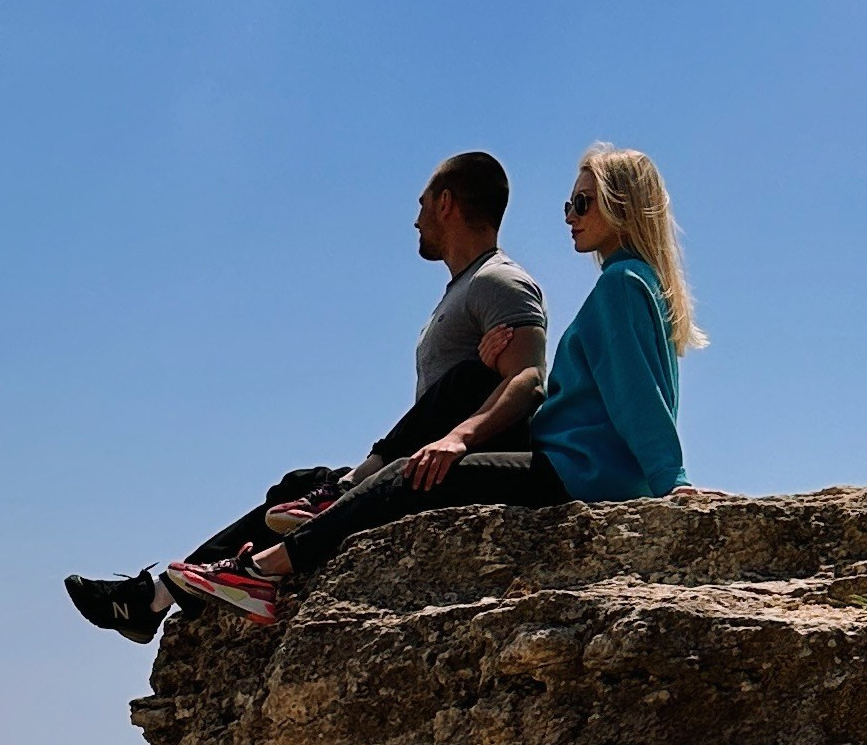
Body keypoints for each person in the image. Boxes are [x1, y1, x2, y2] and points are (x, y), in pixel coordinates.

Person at [163, 145, 701, 627]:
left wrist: (671, 480)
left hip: (573, 474)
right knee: (407, 460)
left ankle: (263, 569)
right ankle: (249, 558)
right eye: (568, 205)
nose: (569, 217)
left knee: (411, 474)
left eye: (582, 204)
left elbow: (640, 395)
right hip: (571, 467)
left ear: (622, 204)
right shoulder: (636, 283)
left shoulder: (621, 285)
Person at [65, 152, 547, 645]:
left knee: (328, 486)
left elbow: (528, 378)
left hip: (447, 468)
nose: (415, 218)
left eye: (422, 203)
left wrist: (461, 439)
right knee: (299, 486)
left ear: (446, 203)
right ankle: (156, 597)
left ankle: (185, 589)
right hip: (420, 458)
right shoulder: (464, 289)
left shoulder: (498, 281)